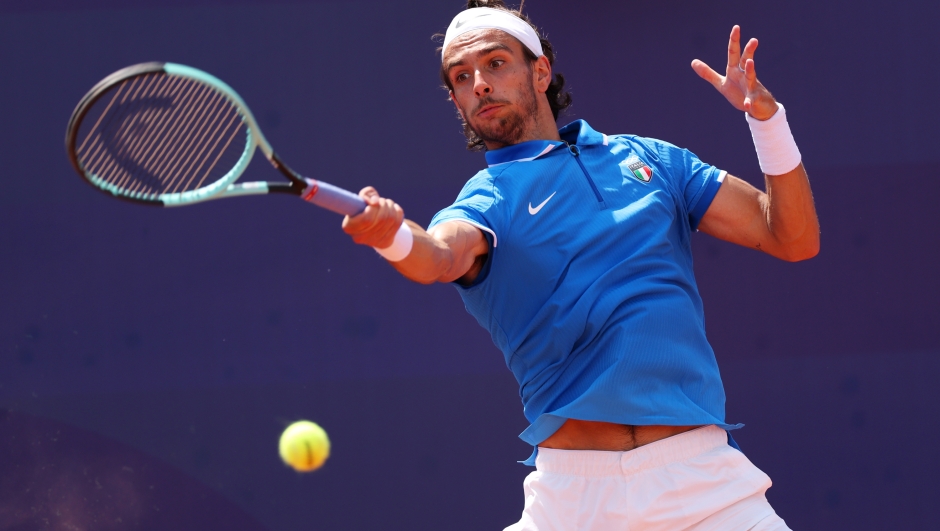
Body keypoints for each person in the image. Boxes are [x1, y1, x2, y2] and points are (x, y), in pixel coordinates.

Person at [342, 1, 819, 529]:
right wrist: (392, 236)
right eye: (461, 76)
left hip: (708, 486)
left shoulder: (653, 162)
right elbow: (437, 254)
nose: (478, 83)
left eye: (495, 63)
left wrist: (768, 124)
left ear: (540, 70)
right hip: (574, 504)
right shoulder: (486, 200)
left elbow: (792, 237)